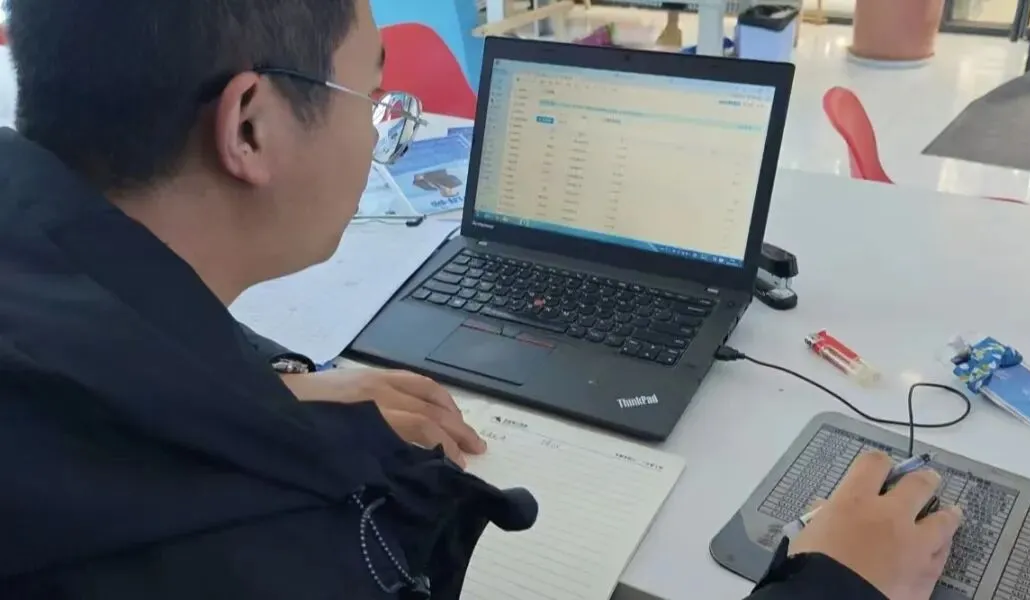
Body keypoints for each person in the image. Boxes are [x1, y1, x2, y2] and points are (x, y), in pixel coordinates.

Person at [0, 0, 961, 598]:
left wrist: (270, 386)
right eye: (375, 98)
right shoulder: (257, 549)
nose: (383, 129)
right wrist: (839, 587)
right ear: (250, 127)